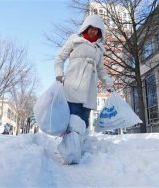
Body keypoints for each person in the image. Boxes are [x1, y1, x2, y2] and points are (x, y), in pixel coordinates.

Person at [54, 15, 113, 163]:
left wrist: (109, 84)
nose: (93, 31)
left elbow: (101, 70)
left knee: (85, 121)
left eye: (96, 29)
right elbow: (60, 58)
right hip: (73, 84)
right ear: (86, 27)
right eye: (91, 28)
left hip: (90, 89)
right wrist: (59, 75)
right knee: (74, 119)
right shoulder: (75, 39)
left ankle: (77, 148)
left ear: (100, 32)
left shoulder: (99, 49)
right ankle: (69, 152)